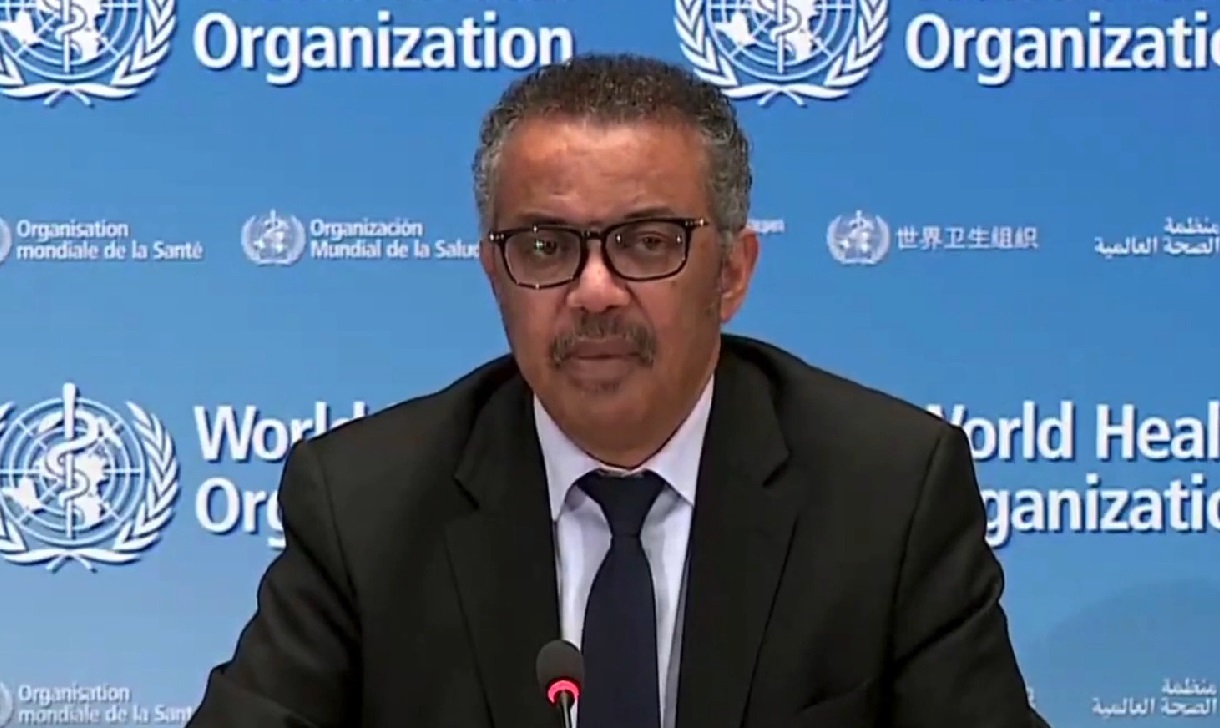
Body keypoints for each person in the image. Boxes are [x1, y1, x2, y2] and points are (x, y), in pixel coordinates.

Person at [187, 54, 1048, 728]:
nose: (594, 292)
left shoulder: (887, 493)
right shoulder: (366, 507)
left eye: (646, 242)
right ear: (494, 275)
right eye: (546, 247)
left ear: (732, 272)